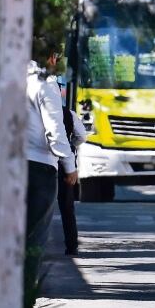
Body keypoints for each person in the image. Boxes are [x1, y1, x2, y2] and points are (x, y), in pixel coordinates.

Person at [26, 51, 78, 308]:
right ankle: (24, 304)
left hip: (7, 164)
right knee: (33, 237)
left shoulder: (7, 75)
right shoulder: (44, 82)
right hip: (40, 167)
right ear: (51, 57)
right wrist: (69, 167)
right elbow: (55, 131)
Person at [57, 80, 87, 256]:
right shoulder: (69, 114)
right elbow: (82, 136)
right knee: (67, 207)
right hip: (64, 165)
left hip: (40, 162)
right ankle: (72, 245)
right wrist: (71, 146)